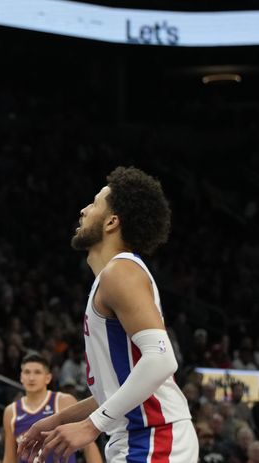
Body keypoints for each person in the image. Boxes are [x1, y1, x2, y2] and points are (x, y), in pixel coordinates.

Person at [18, 167, 198, 462]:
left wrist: (91, 426)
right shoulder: (113, 276)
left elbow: (161, 359)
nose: (84, 210)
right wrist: (57, 420)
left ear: (112, 222)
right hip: (141, 438)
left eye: (95, 203)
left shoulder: (120, 271)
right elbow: (116, 389)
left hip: (154, 437)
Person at [2, 353, 101, 463]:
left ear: (48, 378)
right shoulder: (11, 411)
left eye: (37, 372)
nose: (31, 378)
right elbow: (10, 457)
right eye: (27, 372)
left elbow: (88, 445)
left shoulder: (63, 401)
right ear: (21, 377)